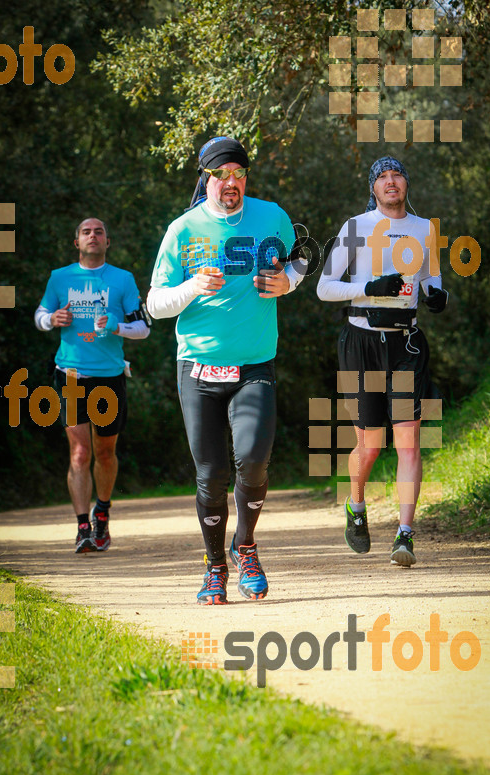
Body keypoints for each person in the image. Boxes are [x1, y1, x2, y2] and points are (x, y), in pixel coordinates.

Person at [147, 136, 304, 604]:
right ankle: (215, 566)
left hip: (255, 361)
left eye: (238, 174)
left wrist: (287, 282)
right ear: (206, 177)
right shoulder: (182, 230)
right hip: (198, 368)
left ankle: (246, 546)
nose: (231, 183)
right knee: (211, 474)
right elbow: (155, 305)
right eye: (221, 175)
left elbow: (297, 261)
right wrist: (193, 285)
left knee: (254, 460)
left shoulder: (271, 216)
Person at [317, 156, 448, 567]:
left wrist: (436, 294)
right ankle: (356, 506)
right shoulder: (355, 228)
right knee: (370, 444)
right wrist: (371, 286)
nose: (391, 182)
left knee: (408, 439)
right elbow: (324, 288)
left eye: (398, 175)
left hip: (406, 343)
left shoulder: (427, 229)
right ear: (373, 188)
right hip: (361, 343)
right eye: (383, 177)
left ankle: (405, 534)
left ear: (407, 183)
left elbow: (431, 278)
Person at [35, 218, 150, 554]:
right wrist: (50, 320)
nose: (93, 236)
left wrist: (116, 326)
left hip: (109, 376)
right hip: (70, 374)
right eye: (86, 232)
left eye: (98, 231)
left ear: (107, 241)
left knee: (105, 451)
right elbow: (41, 313)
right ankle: (83, 526)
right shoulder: (60, 278)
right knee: (80, 452)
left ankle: (102, 509)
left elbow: (143, 328)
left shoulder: (122, 279)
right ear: (77, 243)